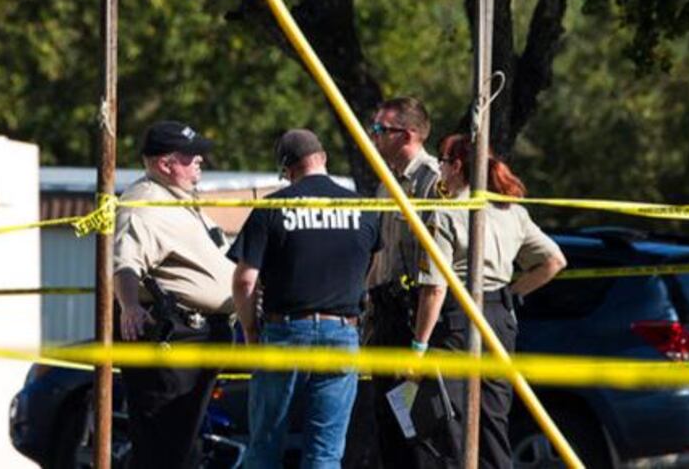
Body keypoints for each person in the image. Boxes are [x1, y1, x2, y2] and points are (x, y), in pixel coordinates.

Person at [411, 134, 567, 468]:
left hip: (456, 319)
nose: (438, 169)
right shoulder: (511, 212)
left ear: (456, 166)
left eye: (442, 162)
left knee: (445, 421)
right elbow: (554, 261)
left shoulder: (447, 214)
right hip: (499, 318)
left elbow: (434, 289)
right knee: (494, 420)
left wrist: (418, 347)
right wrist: (511, 294)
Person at [230, 129, 382, 469]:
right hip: (343, 331)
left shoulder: (273, 207)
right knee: (325, 453)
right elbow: (371, 271)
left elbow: (244, 280)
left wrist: (251, 331)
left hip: (284, 332)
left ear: (286, 170)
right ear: (323, 158)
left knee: (265, 446)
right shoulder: (365, 207)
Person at [113, 120, 236, 469]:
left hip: (200, 336)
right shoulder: (146, 203)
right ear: (165, 164)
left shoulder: (179, 200)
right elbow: (125, 263)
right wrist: (131, 307)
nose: (200, 160)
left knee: (183, 446)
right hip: (173, 339)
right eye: (190, 156)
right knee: (164, 447)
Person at [363, 96, 444, 465]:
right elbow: (380, 254)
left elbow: (436, 268)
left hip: (416, 318)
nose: (373, 135)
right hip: (385, 316)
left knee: (419, 432)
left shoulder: (432, 181)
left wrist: (420, 343)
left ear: (408, 135)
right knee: (387, 428)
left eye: (381, 129)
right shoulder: (388, 184)